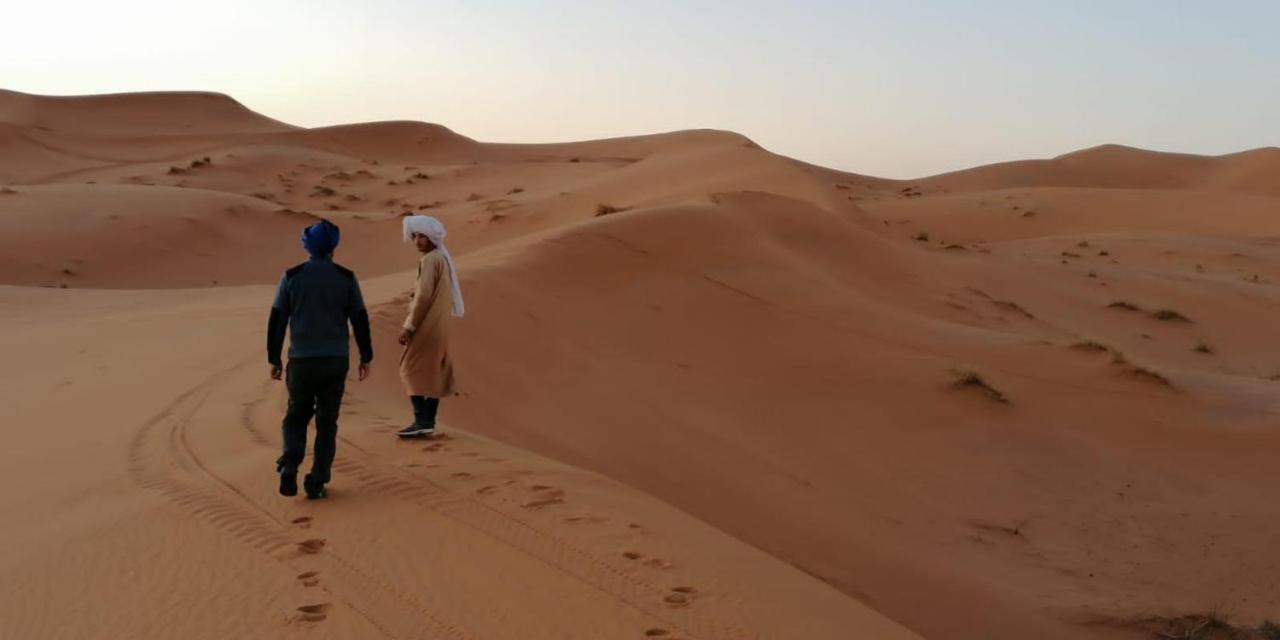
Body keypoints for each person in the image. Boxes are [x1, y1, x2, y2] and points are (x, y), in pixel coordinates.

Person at [267, 219, 373, 499]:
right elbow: (359, 317)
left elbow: (278, 318)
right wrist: (366, 354)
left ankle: (290, 463)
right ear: (332, 247)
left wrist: (274, 357)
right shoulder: (346, 277)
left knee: (296, 415)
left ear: (307, 246)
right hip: (335, 360)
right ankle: (317, 481)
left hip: (301, 361)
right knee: (327, 422)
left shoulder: (291, 276)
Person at [397, 215, 464, 437]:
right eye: (415, 236)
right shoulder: (440, 258)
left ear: (432, 238)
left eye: (422, 236)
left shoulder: (430, 260)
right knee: (433, 370)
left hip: (427, 324)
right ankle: (428, 421)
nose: (417, 241)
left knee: (409, 369)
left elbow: (424, 297)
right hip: (439, 324)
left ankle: (422, 420)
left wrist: (409, 326)